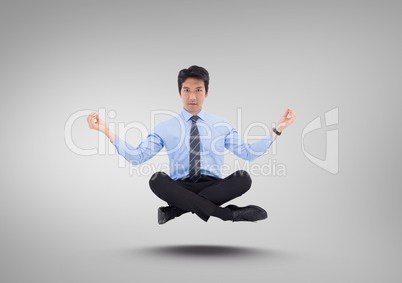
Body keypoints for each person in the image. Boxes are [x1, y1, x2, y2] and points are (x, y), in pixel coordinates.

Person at [87, 65, 296, 224]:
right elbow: (137, 157)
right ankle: (227, 214)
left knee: (243, 178)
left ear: (206, 93)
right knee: (156, 179)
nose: (192, 96)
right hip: (181, 185)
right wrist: (106, 131)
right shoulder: (165, 127)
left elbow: (248, 154)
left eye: (198, 89)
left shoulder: (221, 124)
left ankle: (177, 210)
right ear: (180, 93)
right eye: (186, 90)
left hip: (213, 186)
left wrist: (277, 129)